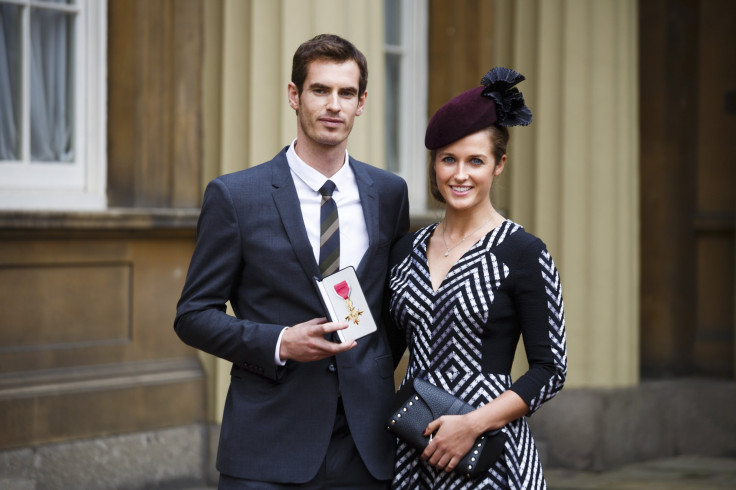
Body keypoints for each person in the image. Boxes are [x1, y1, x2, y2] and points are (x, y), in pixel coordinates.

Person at [175, 34, 410, 489]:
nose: (333, 105)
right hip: (268, 442)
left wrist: (374, 365)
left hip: (367, 443)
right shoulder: (236, 196)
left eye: (346, 93)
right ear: (294, 95)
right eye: (320, 90)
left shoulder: (389, 192)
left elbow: (392, 307)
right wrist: (281, 342)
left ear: (362, 103)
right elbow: (193, 316)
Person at [387, 67, 567, 489]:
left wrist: (470, 424)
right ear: (434, 164)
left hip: (489, 452)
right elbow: (383, 353)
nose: (460, 174)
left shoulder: (523, 252)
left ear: (499, 165)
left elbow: (550, 369)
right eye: (448, 159)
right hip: (414, 446)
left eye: (476, 161)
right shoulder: (405, 250)